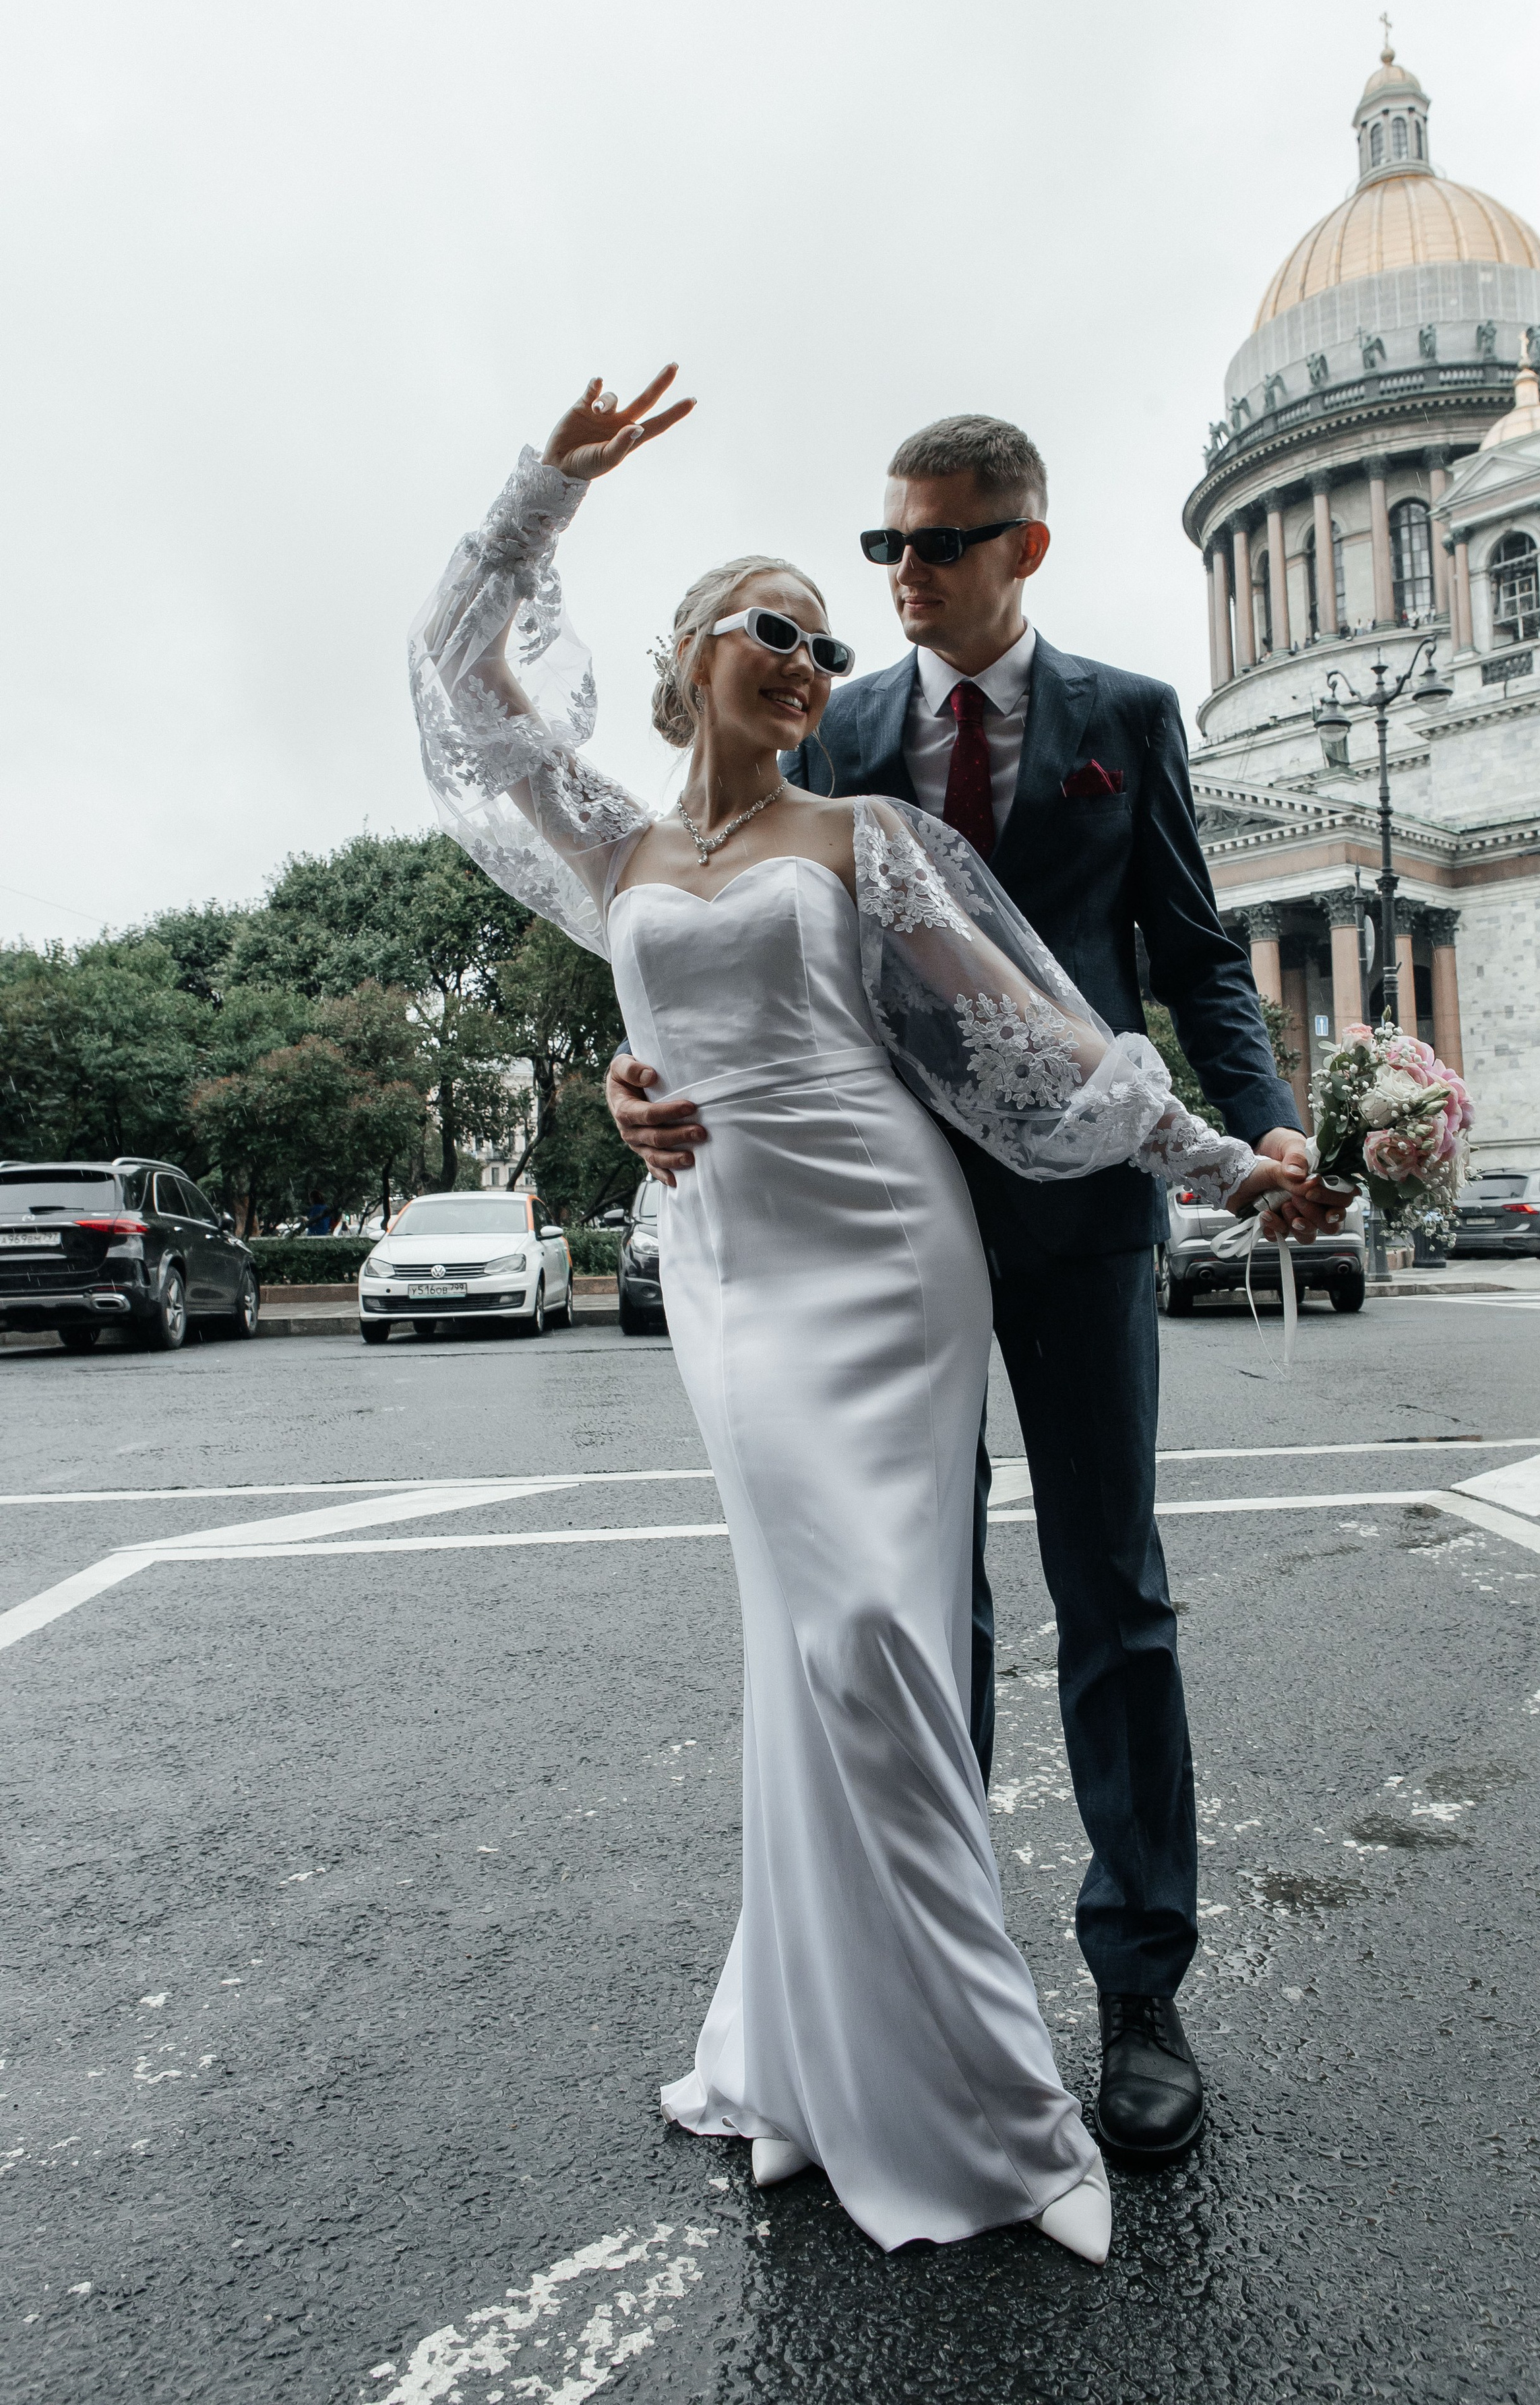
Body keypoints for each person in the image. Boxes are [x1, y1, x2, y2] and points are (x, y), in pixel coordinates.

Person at [410, 371, 1310, 2265]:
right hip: (745, 1273)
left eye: (876, 590)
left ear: (1017, 548)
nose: (843, 628)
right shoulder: (648, 833)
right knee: (838, 1651)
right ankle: (854, 2035)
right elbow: (468, 700)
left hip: (924, 1246)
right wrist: (539, 495)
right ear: (694, 656)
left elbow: (1046, 1010)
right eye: (800, 611)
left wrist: (1230, 1152)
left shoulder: (958, 790)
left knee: (1067, 1601)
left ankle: (1092, 2021)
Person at [607, 411, 1350, 2177]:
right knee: (916, 1619)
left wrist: (1267, 1119)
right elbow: (708, 934)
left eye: (938, 545)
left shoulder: (1127, 721)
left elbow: (1189, 958)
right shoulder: (838, 724)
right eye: (885, 549)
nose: (904, 576)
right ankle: (950, 2003)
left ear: (1025, 547)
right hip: (884, 1232)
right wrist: (638, 1085)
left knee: (1116, 1595)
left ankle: (1141, 1995)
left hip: (1088, 1211)